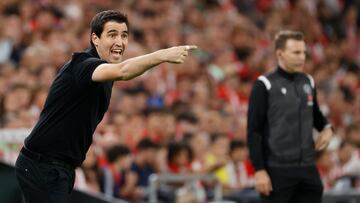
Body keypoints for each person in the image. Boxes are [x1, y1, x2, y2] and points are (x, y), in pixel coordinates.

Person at [14, 10, 197, 203]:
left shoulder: (104, 70)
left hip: (60, 167)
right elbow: (123, 71)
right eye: (112, 35)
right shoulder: (83, 65)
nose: (119, 41)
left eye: (124, 35)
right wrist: (162, 54)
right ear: (95, 38)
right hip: (42, 164)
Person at [247, 30, 334, 203]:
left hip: (308, 169)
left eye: (303, 52)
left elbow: (316, 115)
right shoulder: (264, 84)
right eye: (296, 52)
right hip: (277, 170)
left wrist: (327, 128)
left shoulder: (308, 81)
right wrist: (259, 170)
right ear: (280, 53)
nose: (302, 57)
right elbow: (254, 131)